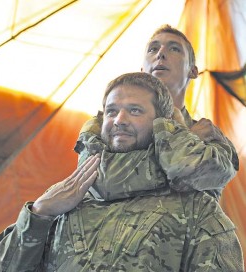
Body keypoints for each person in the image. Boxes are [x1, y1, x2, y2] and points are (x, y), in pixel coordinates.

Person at [0, 72, 244, 271]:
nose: (119, 120)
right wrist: (39, 214)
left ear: (161, 125)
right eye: (111, 111)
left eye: (134, 110)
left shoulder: (196, 209)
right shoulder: (66, 198)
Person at [78, 24, 239, 200]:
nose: (160, 54)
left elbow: (210, 180)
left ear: (193, 71)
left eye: (174, 49)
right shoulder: (104, 125)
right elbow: (99, 181)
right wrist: (188, 142)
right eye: (153, 49)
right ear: (142, 70)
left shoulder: (209, 133)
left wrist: (182, 140)